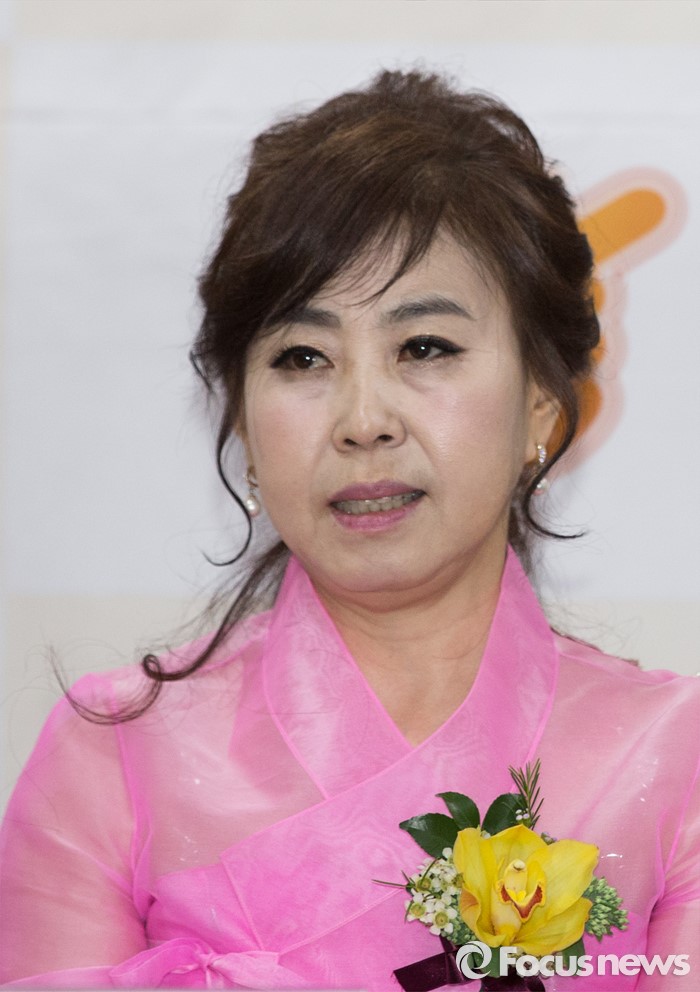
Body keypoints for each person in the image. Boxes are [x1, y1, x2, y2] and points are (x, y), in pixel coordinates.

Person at [0, 70, 698, 991]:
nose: (363, 420)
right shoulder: (115, 755)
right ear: (243, 422)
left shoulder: (675, 758)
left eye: (425, 347)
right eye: (303, 357)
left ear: (542, 400)